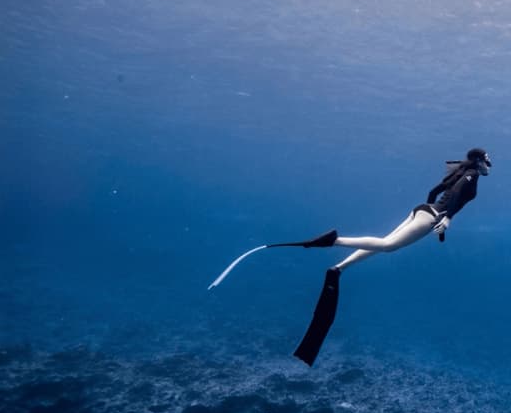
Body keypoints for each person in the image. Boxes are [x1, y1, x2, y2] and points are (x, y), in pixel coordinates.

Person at [208, 148, 492, 366]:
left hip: (422, 210)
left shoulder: (462, 172)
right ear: (479, 162)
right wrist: (447, 219)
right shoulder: (470, 176)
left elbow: (435, 192)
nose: (489, 164)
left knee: (383, 244)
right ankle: (335, 240)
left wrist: (435, 213)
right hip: (431, 217)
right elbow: (455, 197)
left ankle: (340, 268)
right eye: (487, 160)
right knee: (388, 246)